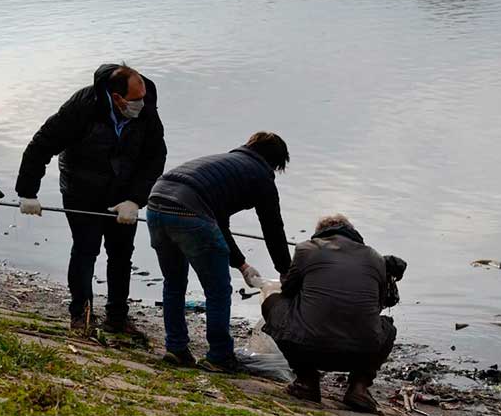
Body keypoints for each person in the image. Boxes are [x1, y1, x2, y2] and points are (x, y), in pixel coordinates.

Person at [15, 63, 167, 334]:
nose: (141, 104)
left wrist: (135, 199)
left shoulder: (146, 109)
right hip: (81, 190)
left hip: (122, 192)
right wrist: (28, 192)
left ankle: (118, 317)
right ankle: (81, 316)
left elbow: (155, 157)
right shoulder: (83, 107)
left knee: (121, 254)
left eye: (143, 97)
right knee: (85, 250)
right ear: (117, 97)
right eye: (135, 100)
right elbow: (42, 144)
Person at [146, 131, 291, 372]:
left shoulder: (225, 165)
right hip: (189, 212)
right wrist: (286, 271)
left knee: (173, 283)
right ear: (274, 163)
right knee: (218, 290)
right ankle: (219, 356)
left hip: (156, 204)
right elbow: (273, 227)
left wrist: (242, 265)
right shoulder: (261, 175)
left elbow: (219, 224)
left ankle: (176, 349)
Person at [262, 214, 403, 413]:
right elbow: (377, 306)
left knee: (272, 303)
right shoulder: (376, 257)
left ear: (320, 233)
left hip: (308, 348)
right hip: (360, 353)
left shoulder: (305, 249)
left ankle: (306, 380)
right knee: (388, 327)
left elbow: (288, 291)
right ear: (352, 233)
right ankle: (359, 387)